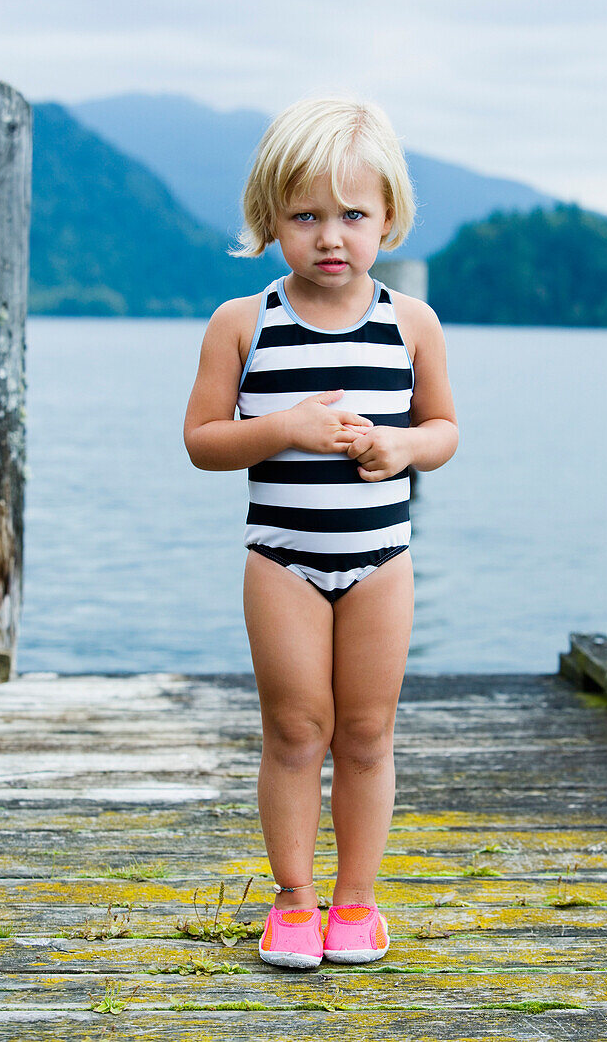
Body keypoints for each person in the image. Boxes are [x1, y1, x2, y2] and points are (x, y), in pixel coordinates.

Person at [183, 94, 458, 969]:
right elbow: (202, 442)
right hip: (283, 561)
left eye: (352, 215)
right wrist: (284, 429)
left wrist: (401, 446)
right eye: (305, 216)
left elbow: (445, 430)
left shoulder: (409, 325)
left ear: (389, 220)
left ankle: (357, 903)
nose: (329, 235)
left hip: (382, 561)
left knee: (368, 733)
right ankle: (294, 900)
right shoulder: (244, 323)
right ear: (270, 220)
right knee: (296, 729)